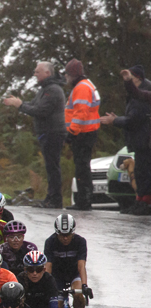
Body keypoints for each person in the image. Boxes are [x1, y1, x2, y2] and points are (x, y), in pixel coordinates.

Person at [3, 62, 67, 208]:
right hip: (46, 133)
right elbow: (33, 105)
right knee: (50, 166)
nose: (35, 74)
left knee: (53, 166)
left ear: (47, 73)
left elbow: (40, 111)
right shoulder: (44, 90)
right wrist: (20, 103)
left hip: (53, 132)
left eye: (38, 72)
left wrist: (20, 105)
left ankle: (55, 199)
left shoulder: (53, 90)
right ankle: (50, 197)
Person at [101, 66, 151, 215]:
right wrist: (128, 81)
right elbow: (137, 93)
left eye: (133, 79)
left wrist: (115, 121)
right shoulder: (142, 93)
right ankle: (141, 201)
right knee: (141, 172)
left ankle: (145, 203)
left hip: (145, 139)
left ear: (139, 79)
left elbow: (135, 119)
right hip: (144, 141)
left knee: (145, 172)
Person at [43, 213, 92, 308]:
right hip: (57, 276)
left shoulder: (80, 242)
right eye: (61, 235)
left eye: (68, 235)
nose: (65, 238)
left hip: (73, 274)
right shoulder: (50, 242)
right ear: (56, 233)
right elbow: (48, 266)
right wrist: (46, 283)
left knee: (78, 294)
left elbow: (81, 266)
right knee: (58, 305)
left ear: (73, 232)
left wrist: (84, 285)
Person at [63, 59, 100, 212]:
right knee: (83, 166)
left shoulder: (81, 88)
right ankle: (84, 200)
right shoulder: (86, 85)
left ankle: (84, 201)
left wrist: (72, 132)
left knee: (82, 167)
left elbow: (80, 113)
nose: (65, 78)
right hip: (87, 132)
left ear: (72, 74)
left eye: (66, 74)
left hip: (83, 133)